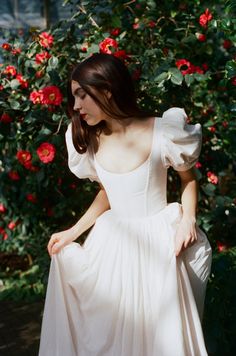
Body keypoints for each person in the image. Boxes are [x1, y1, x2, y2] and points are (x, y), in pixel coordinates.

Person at [38, 53, 212, 356]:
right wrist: (73, 231)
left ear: (106, 90)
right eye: (73, 97)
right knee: (112, 331)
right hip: (113, 244)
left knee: (159, 332)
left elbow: (189, 179)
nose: (76, 106)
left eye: (81, 95)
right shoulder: (92, 140)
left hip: (158, 241)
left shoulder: (163, 131)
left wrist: (188, 220)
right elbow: (109, 192)